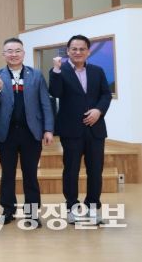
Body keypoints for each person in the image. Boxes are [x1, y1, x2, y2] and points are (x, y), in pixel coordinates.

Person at [0, 38, 54, 227]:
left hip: (31, 132)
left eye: (17, 51)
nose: (13, 54)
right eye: (9, 51)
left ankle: (32, 214)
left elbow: (45, 103)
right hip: (6, 133)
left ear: (23, 54)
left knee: (30, 174)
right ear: (4, 54)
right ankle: (8, 211)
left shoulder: (36, 75)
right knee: (7, 174)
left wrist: (48, 129)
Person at [49, 34, 112, 223]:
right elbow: (55, 92)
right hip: (71, 130)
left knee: (95, 170)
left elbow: (106, 95)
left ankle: (93, 207)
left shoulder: (97, 71)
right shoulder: (59, 71)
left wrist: (99, 110)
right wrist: (56, 70)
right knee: (71, 170)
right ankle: (72, 207)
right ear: (68, 51)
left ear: (88, 52)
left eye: (82, 49)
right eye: (74, 49)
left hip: (95, 129)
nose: (78, 52)